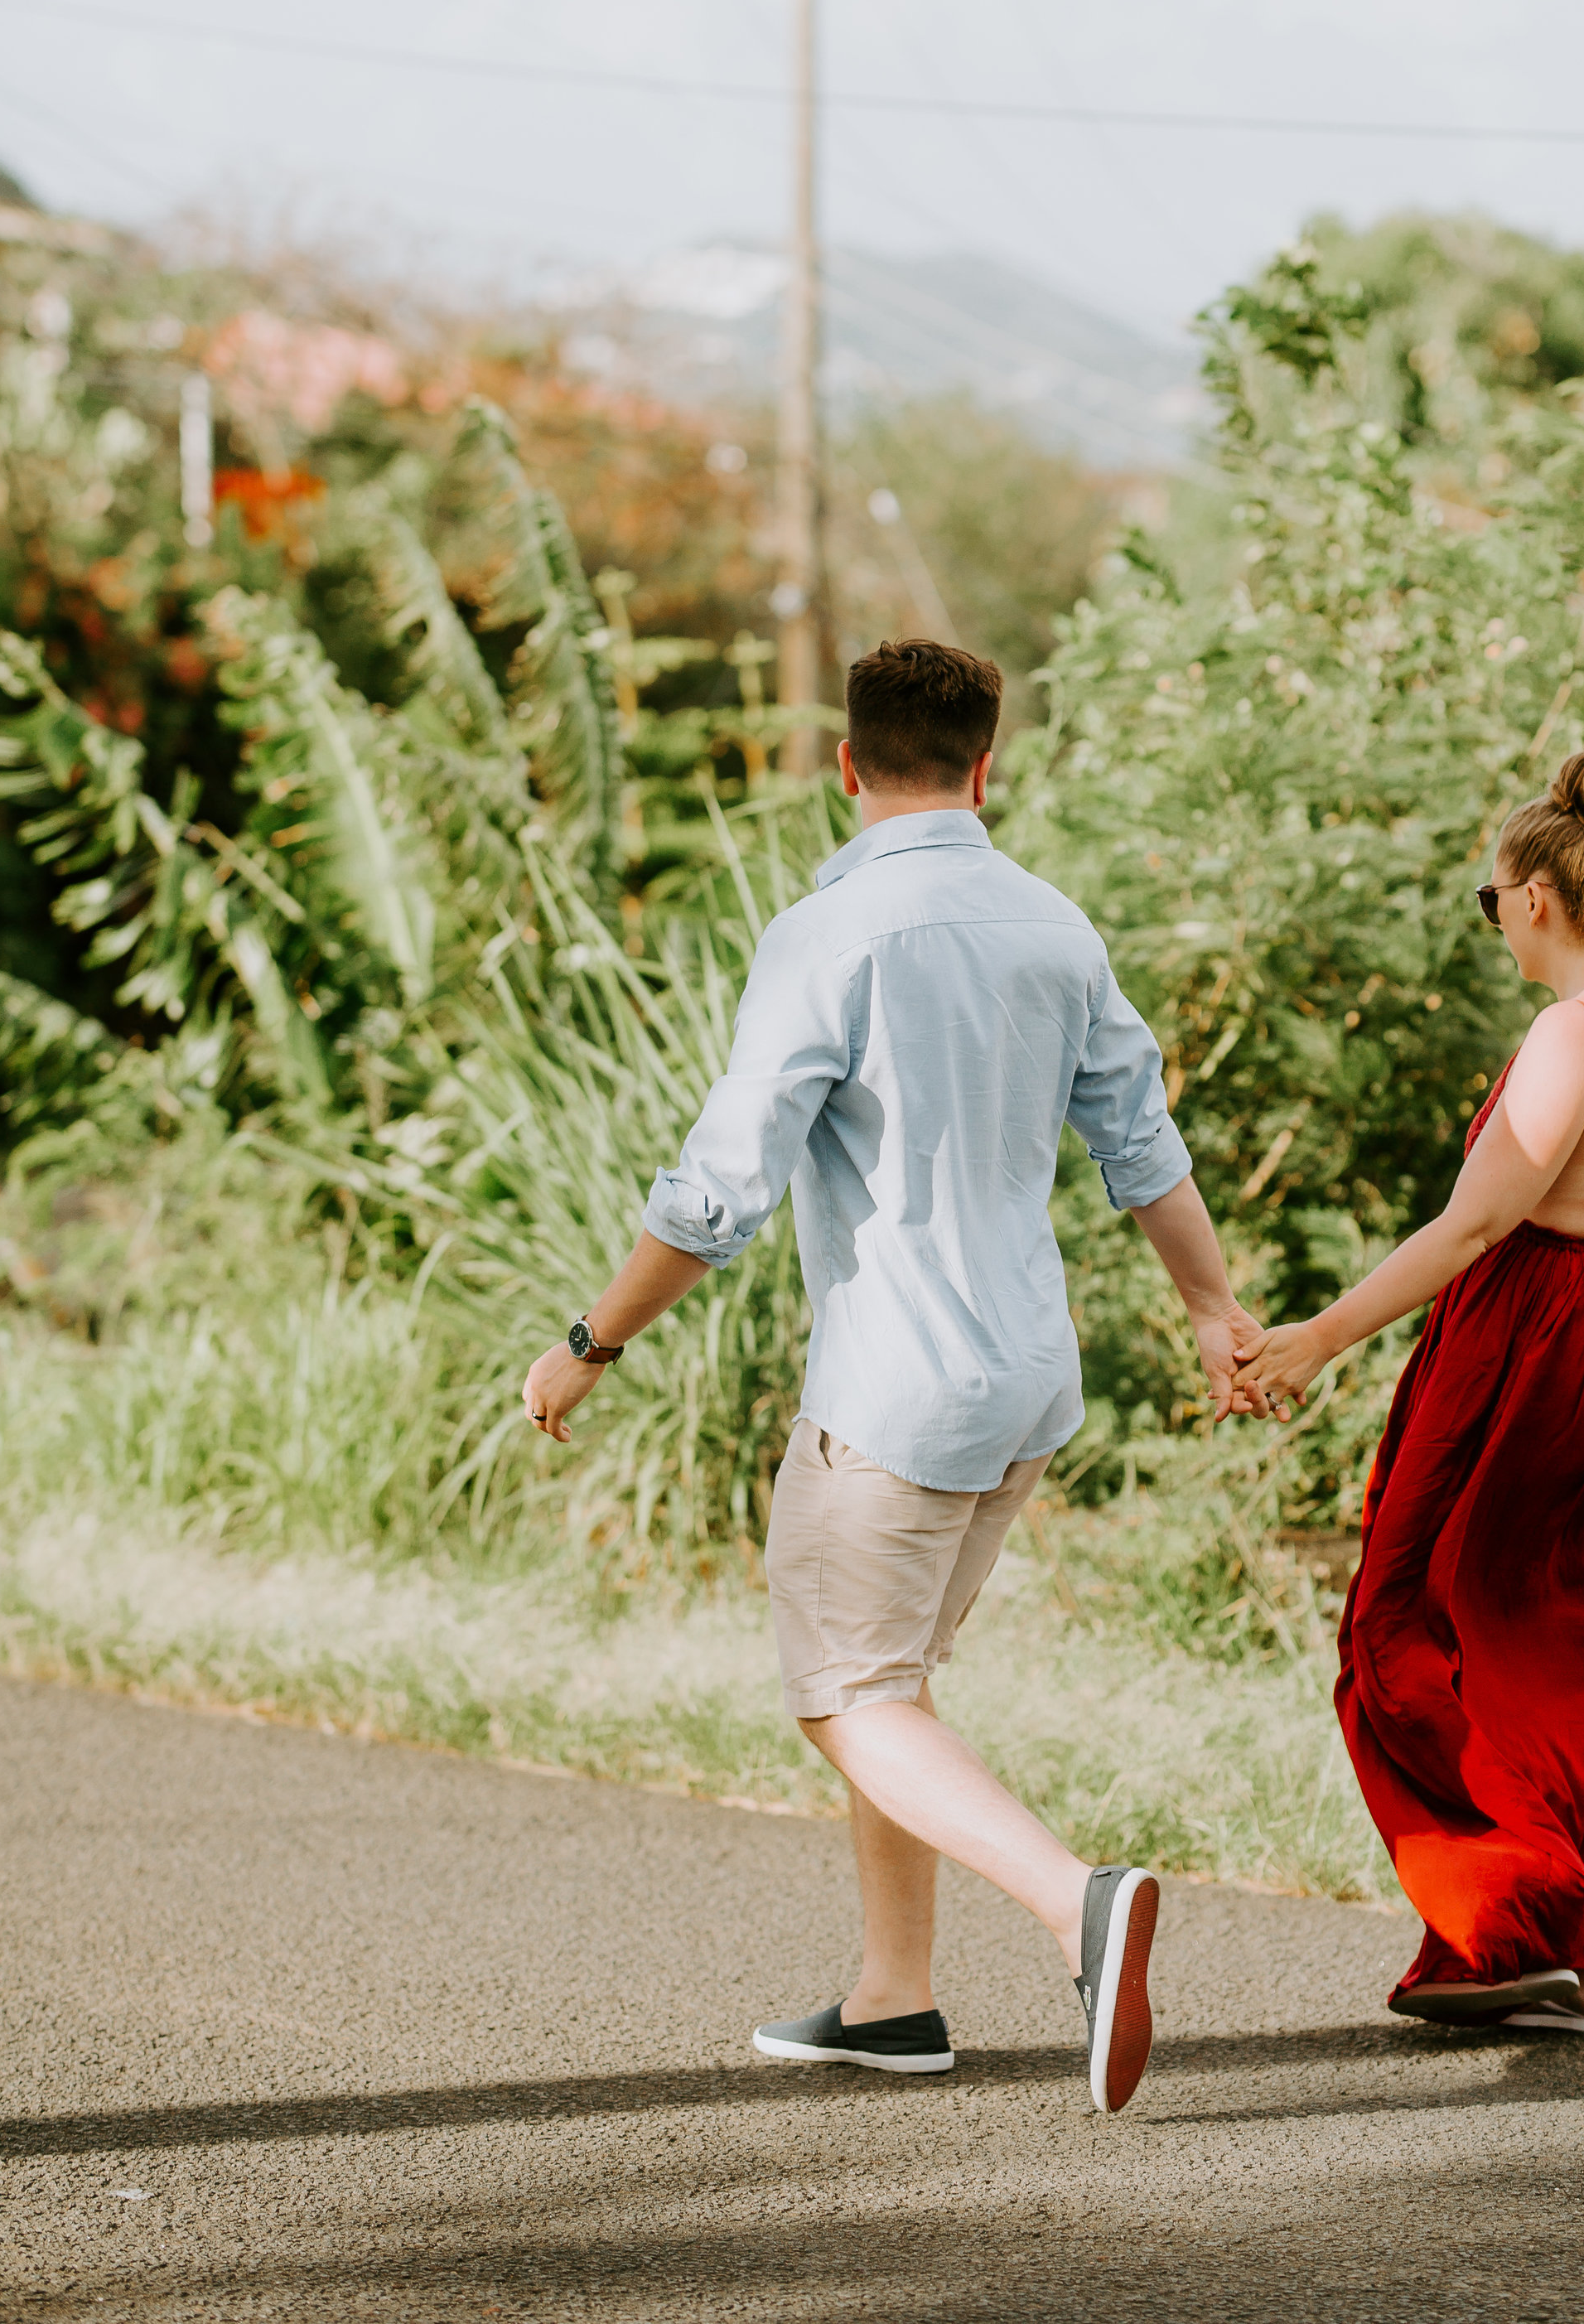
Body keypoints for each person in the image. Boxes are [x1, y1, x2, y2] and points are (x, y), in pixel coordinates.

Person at [522, 636, 1263, 2113]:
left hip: (895, 1396)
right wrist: (1211, 1307)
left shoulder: (832, 932)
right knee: (896, 1681)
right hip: (1024, 1397)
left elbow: (718, 1190)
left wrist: (590, 1343)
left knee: (845, 1692)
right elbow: (1144, 1150)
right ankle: (892, 1997)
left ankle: (1076, 1903)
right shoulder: (1057, 927)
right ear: (989, 766)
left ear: (847, 764)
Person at [1234, 748, 1584, 2041]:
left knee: (1418, 1623)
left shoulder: (1571, 1031)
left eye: (1492, 898)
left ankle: (1508, 1910)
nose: (1497, 922)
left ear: (1533, 898)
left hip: (1542, 1353)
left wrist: (1316, 1338)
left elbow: (1473, 1227)